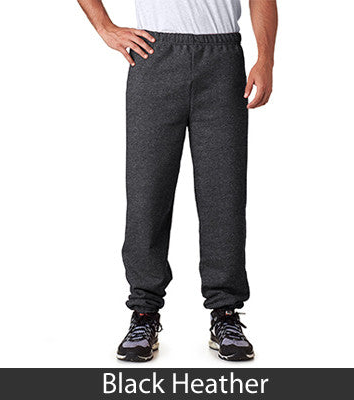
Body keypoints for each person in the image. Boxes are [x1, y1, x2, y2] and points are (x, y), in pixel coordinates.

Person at [77, 0, 278, 362]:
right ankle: (143, 312)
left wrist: (266, 59)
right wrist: (105, 27)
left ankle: (226, 312)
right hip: (155, 55)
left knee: (225, 194)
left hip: (222, 59)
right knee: (147, 193)